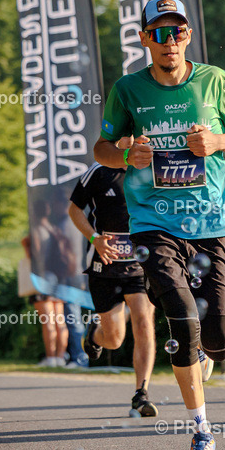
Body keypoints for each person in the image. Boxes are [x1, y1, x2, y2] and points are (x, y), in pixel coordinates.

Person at [93, 0, 225, 450]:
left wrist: (220, 140)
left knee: (219, 341)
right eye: (161, 33)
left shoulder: (215, 81)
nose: (171, 42)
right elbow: (101, 148)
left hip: (211, 224)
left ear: (188, 35)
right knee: (181, 318)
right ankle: (201, 433)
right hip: (152, 222)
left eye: (179, 32)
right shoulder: (128, 89)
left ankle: (207, 356)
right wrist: (127, 155)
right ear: (145, 38)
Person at [68, 160, 158, 416]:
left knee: (143, 321)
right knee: (115, 340)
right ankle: (96, 333)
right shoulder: (98, 171)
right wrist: (94, 238)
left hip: (140, 265)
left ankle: (141, 393)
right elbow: (74, 209)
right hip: (104, 267)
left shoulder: (151, 166)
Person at [21, 235, 67, 367]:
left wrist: (26, 244)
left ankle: (51, 358)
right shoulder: (58, 231)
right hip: (59, 279)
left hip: (42, 279)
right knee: (60, 321)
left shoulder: (37, 231)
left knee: (48, 322)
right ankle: (60, 358)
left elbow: (31, 257)